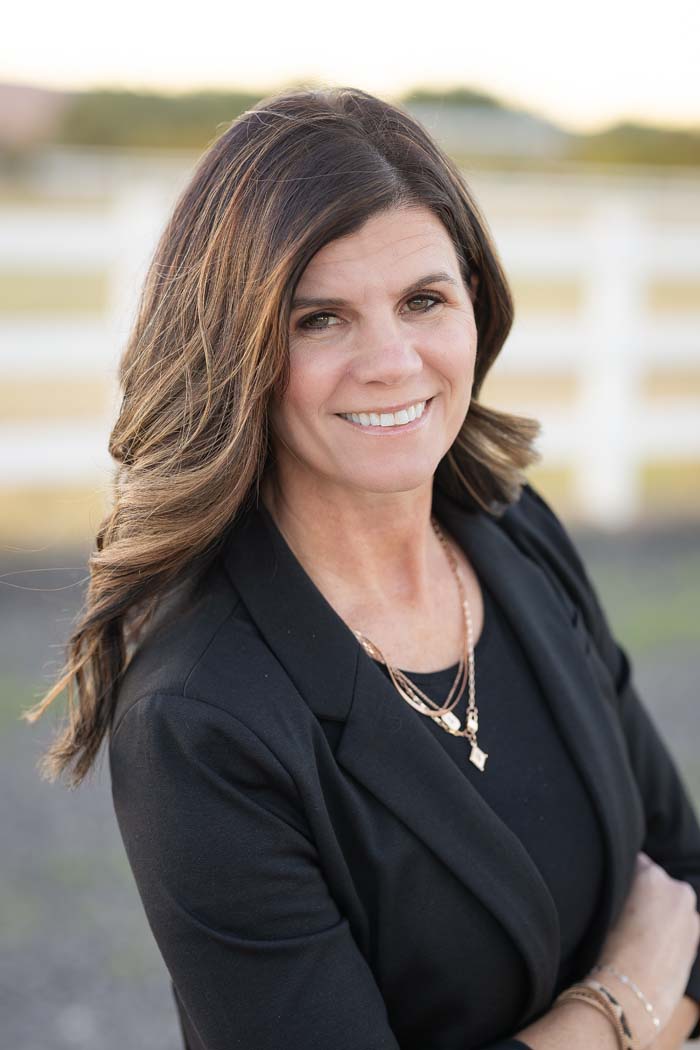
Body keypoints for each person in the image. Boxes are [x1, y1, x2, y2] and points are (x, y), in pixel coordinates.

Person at [25, 85, 700, 1050]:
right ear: (235, 353)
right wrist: (622, 1006)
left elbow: (686, 886)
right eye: (319, 319)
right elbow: (668, 944)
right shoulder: (200, 718)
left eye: (423, 300)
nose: (391, 361)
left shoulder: (515, 537)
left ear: (477, 307)